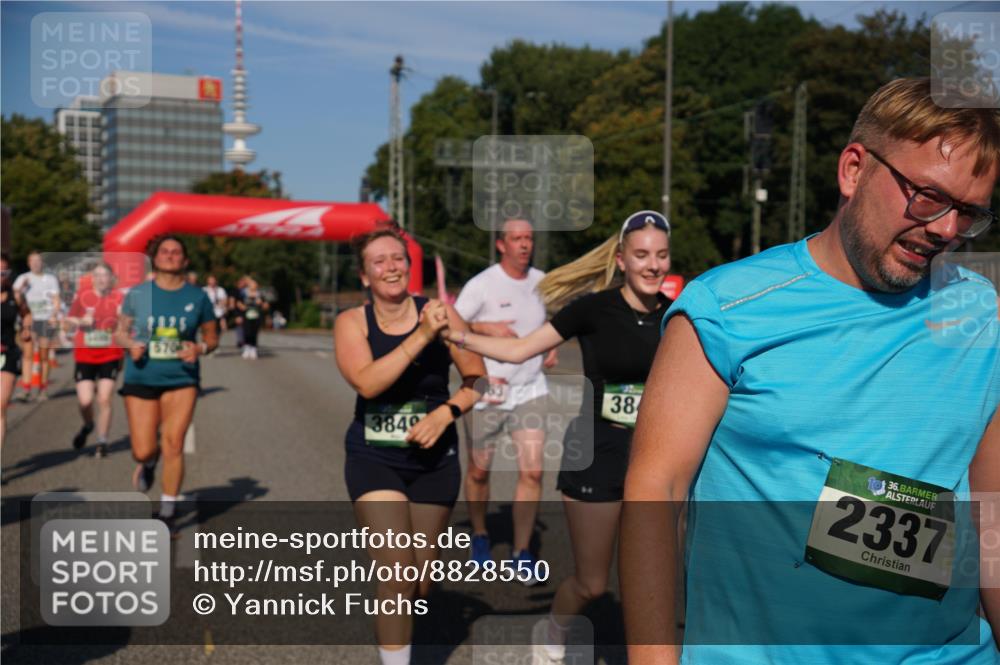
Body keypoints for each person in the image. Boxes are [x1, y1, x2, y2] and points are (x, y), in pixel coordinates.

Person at [620, 77, 1000, 664]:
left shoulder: (980, 317)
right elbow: (655, 492)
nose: (946, 230)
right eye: (928, 196)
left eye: (969, 213)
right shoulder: (727, 310)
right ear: (853, 170)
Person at [441, 211, 672, 663]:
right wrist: (456, 334)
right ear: (621, 258)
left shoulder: (678, 317)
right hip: (597, 454)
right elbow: (515, 349)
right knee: (592, 583)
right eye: (642, 254)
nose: (652, 265)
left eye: (661, 256)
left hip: (654, 459)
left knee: (657, 576)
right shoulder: (592, 309)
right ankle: (555, 628)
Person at [333, 227, 485, 665]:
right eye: (379, 261)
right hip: (373, 457)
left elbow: (480, 379)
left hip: (436, 462)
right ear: (364, 276)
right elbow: (366, 381)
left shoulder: (444, 314)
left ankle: (393, 613)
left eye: (397, 258)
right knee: (397, 573)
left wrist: (447, 412)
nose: (391, 267)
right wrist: (421, 336)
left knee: (417, 582)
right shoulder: (352, 322)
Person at [453, 218, 557, 579]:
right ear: (501, 245)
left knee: (533, 470)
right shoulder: (481, 285)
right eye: (516, 239)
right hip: (488, 389)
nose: (524, 245)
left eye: (528, 238)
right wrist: (485, 327)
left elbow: (550, 323)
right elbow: (451, 327)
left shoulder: (542, 281)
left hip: (530, 388)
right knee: (480, 471)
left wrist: (551, 345)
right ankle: (480, 535)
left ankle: (521, 551)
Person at [115, 235, 218, 531]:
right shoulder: (137, 294)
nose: (170, 255)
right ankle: (147, 464)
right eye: (164, 251)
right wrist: (129, 343)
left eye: (176, 252)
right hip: (142, 375)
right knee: (144, 449)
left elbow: (212, 337)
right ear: (154, 258)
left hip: (181, 378)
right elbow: (120, 332)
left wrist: (199, 348)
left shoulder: (198, 297)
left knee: (173, 443)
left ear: (185, 261)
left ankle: (168, 511)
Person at [65, 262, 125, 457]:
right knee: (85, 401)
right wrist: (82, 321)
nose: (101, 279)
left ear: (111, 279)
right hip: (85, 355)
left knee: (105, 398)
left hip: (110, 354)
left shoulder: (118, 298)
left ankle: (102, 441)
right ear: (92, 279)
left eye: (104, 275)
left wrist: (119, 323)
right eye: (97, 275)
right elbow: (68, 320)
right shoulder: (82, 298)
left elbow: (126, 322)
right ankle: (88, 424)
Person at [13, 251, 60, 401]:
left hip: (45, 319)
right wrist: (20, 289)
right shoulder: (23, 278)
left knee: (43, 355)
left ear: (42, 263)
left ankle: (43, 388)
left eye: (38, 260)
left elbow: (56, 299)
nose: (35, 263)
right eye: (32, 261)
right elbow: (15, 298)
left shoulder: (50, 279)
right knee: (27, 355)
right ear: (28, 263)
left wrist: (54, 315)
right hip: (28, 321)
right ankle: (25, 389)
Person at [1, 254, 31, 446]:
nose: (0, 276)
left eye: (4, 272)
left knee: (0, 406)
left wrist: (27, 328)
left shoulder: (16, 296)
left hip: (7, 353)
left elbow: (26, 315)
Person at [237, 279, 267, 359]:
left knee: (254, 333)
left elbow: (266, 306)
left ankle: (253, 349)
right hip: (246, 316)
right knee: (247, 332)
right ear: (249, 286)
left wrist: (262, 303)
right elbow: (238, 303)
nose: (253, 286)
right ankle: (247, 348)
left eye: (255, 285)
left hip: (256, 316)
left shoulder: (260, 295)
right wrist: (242, 307)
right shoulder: (244, 294)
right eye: (252, 285)